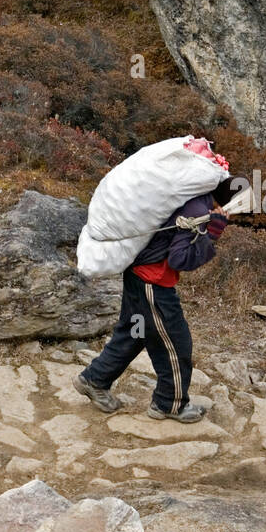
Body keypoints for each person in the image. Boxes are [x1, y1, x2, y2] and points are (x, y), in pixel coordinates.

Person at [74, 173, 235, 421]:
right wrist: (212, 234)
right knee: (177, 342)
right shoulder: (198, 211)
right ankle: (169, 404)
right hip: (152, 283)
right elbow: (179, 258)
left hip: (138, 275)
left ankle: (94, 379)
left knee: (135, 333)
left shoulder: (192, 197)